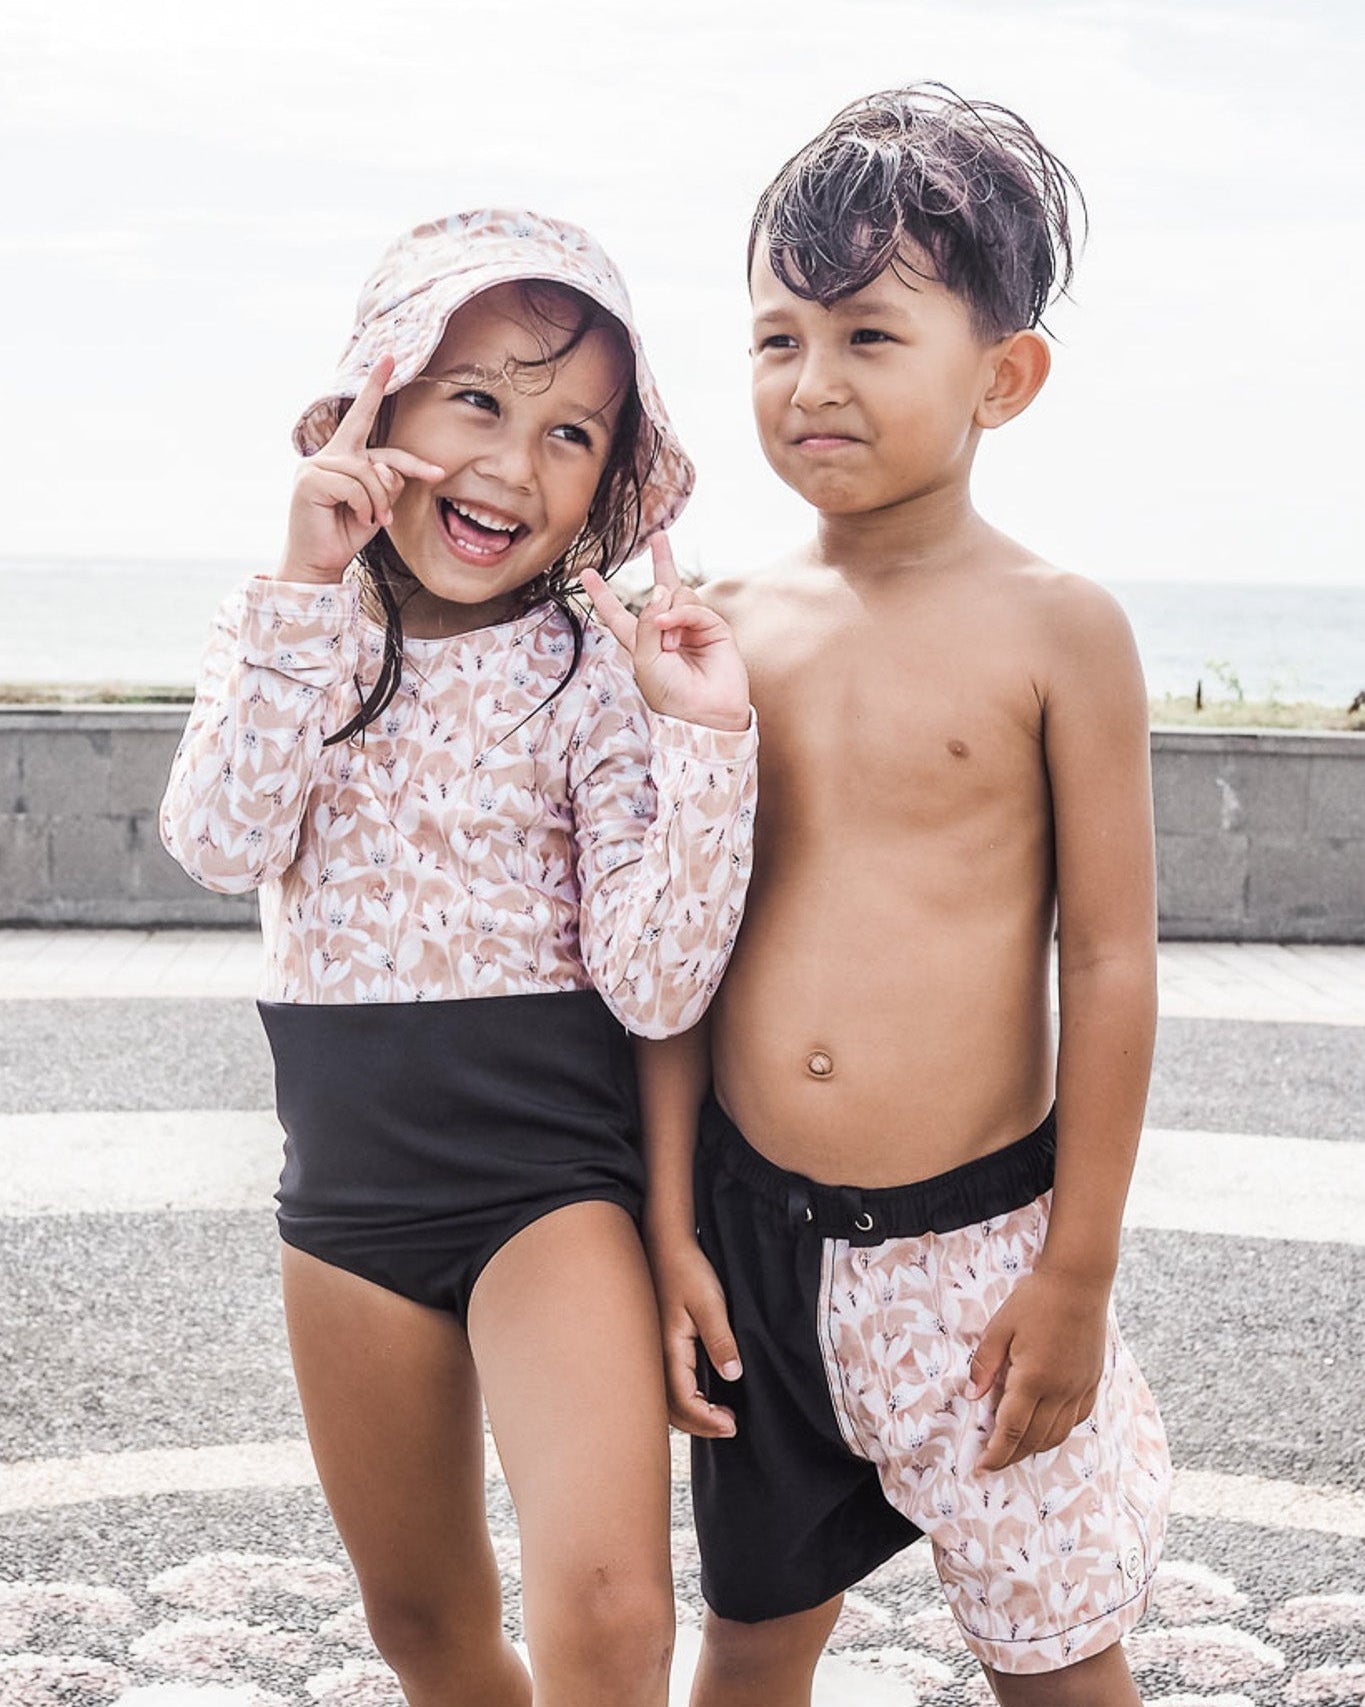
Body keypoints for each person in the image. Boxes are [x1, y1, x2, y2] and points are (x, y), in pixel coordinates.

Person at [599, 86, 1171, 1705]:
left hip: (978, 1255)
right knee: (748, 1644)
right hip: (753, 1242)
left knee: (1055, 1654)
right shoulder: (720, 628)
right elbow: (677, 955)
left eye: (867, 335)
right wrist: (668, 1225)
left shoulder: (1058, 628)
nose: (812, 382)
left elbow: (1108, 960)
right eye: (776, 338)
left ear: (1003, 376)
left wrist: (1076, 1270)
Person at [161, 208, 757, 1707]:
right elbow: (222, 841)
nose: (512, 463)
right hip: (349, 1204)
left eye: (571, 434)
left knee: (612, 1617)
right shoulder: (293, 631)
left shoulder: (593, 669)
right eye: (476, 399)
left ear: (610, 478)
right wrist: (302, 591)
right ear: (378, 400)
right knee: (423, 1623)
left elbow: (656, 984)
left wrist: (702, 740)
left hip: (547, 1189)